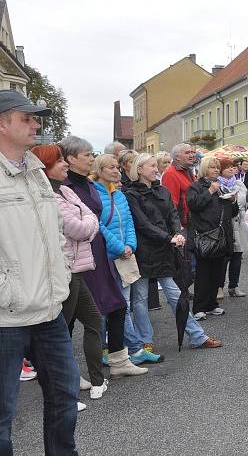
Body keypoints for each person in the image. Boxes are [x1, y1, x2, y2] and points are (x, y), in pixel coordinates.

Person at [0, 92, 83, 452]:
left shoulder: (36, 172)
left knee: (65, 397)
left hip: (49, 309)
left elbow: (53, 237)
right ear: (2, 123)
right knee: (3, 413)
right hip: (6, 316)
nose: (37, 124)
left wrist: (61, 273)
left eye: (37, 118)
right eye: (26, 118)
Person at [60, 136, 149, 379]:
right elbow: (82, 225)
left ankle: (119, 359)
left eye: (91, 154)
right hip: (79, 259)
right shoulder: (66, 187)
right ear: (70, 159)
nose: (91, 158)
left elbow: (101, 220)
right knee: (69, 319)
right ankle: (67, 373)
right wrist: (95, 227)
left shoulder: (88, 186)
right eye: (87, 154)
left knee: (117, 306)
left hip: (99, 255)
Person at [124, 153, 222, 350]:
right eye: (151, 166)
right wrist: (168, 237)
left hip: (166, 251)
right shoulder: (131, 194)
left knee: (176, 295)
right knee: (141, 300)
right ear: (139, 169)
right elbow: (142, 224)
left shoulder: (162, 190)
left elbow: (173, 215)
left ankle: (197, 336)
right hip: (144, 252)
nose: (156, 168)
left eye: (155, 165)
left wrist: (177, 233)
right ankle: (145, 341)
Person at [32, 144, 106, 402]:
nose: (65, 165)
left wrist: (89, 223)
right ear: (45, 166)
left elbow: (90, 216)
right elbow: (80, 228)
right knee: (59, 334)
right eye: (60, 161)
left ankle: (97, 380)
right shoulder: (46, 196)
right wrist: (89, 223)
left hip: (77, 270)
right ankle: (65, 395)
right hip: (64, 271)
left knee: (95, 321)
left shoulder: (64, 191)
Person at [90, 153, 164, 364]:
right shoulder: (94, 194)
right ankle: (116, 349)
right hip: (107, 257)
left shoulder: (119, 195)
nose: (116, 170)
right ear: (100, 170)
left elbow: (129, 223)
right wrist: (119, 246)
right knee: (109, 306)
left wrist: (130, 245)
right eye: (110, 167)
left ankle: (130, 349)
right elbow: (98, 225)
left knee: (123, 304)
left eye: (116, 167)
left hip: (125, 255)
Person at [187, 155, 238, 320]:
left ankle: (212, 304)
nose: (216, 170)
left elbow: (232, 213)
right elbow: (194, 205)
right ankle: (199, 307)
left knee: (217, 272)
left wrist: (233, 201)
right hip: (205, 235)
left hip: (222, 236)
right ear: (204, 169)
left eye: (217, 167)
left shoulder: (221, 186)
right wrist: (210, 191)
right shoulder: (196, 186)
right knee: (203, 273)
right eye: (212, 167)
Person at [217, 157, 247, 298]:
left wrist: (234, 200)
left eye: (232, 166)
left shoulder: (239, 183)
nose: (231, 169)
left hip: (238, 222)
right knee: (224, 257)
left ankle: (234, 286)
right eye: (227, 166)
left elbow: (244, 200)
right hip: (224, 224)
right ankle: (219, 287)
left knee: (237, 255)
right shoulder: (217, 184)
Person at [161, 143, 196, 226]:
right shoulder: (170, 174)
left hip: (192, 220)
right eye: (187, 153)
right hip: (182, 224)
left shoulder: (188, 170)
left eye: (192, 152)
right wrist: (177, 226)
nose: (191, 155)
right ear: (177, 157)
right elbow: (171, 203)